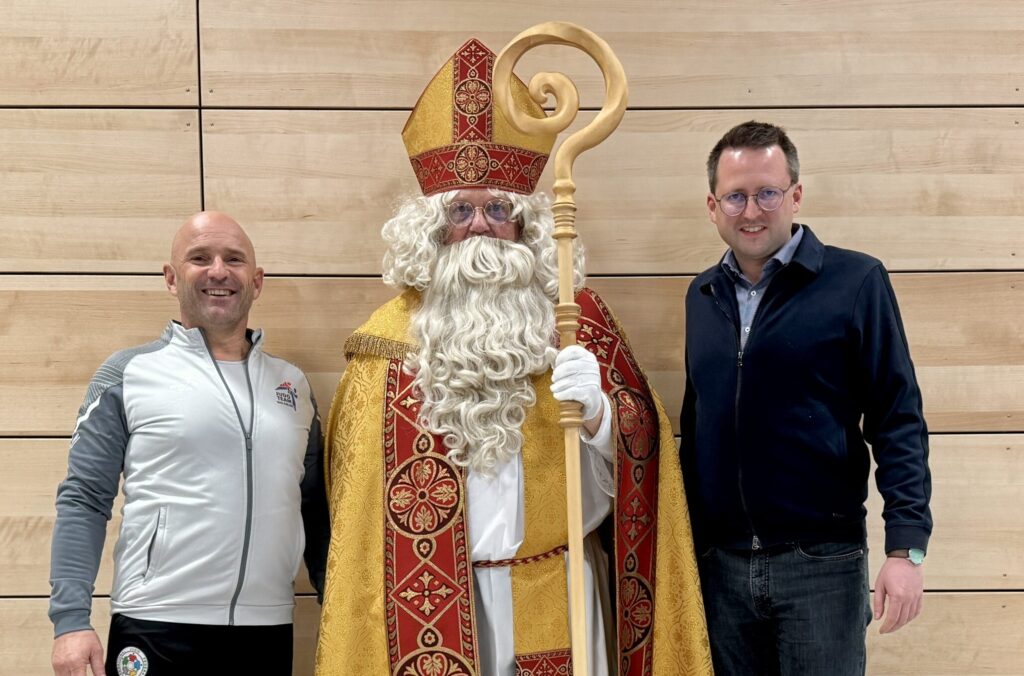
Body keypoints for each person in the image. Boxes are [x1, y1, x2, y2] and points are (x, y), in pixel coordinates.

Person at [315, 39, 711, 676]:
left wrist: (605, 420)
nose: (479, 226)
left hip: (562, 592)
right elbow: (355, 525)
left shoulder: (577, 324)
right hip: (427, 609)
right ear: (432, 227)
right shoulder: (384, 352)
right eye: (460, 210)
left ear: (526, 221)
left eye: (497, 208)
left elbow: (649, 460)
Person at [679, 120, 933, 675]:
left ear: (796, 194)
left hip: (821, 563)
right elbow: (695, 427)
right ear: (712, 205)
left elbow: (897, 419)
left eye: (768, 192)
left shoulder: (855, 281)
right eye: (736, 196)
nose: (752, 211)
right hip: (721, 569)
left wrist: (904, 549)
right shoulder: (702, 295)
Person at [49, 211, 330, 676]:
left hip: (268, 629)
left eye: (234, 259)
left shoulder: (293, 385)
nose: (218, 270)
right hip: (157, 625)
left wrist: (337, 607)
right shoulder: (127, 374)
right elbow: (84, 499)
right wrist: (70, 621)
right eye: (200, 258)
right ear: (170, 277)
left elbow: (313, 507)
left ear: (256, 281)